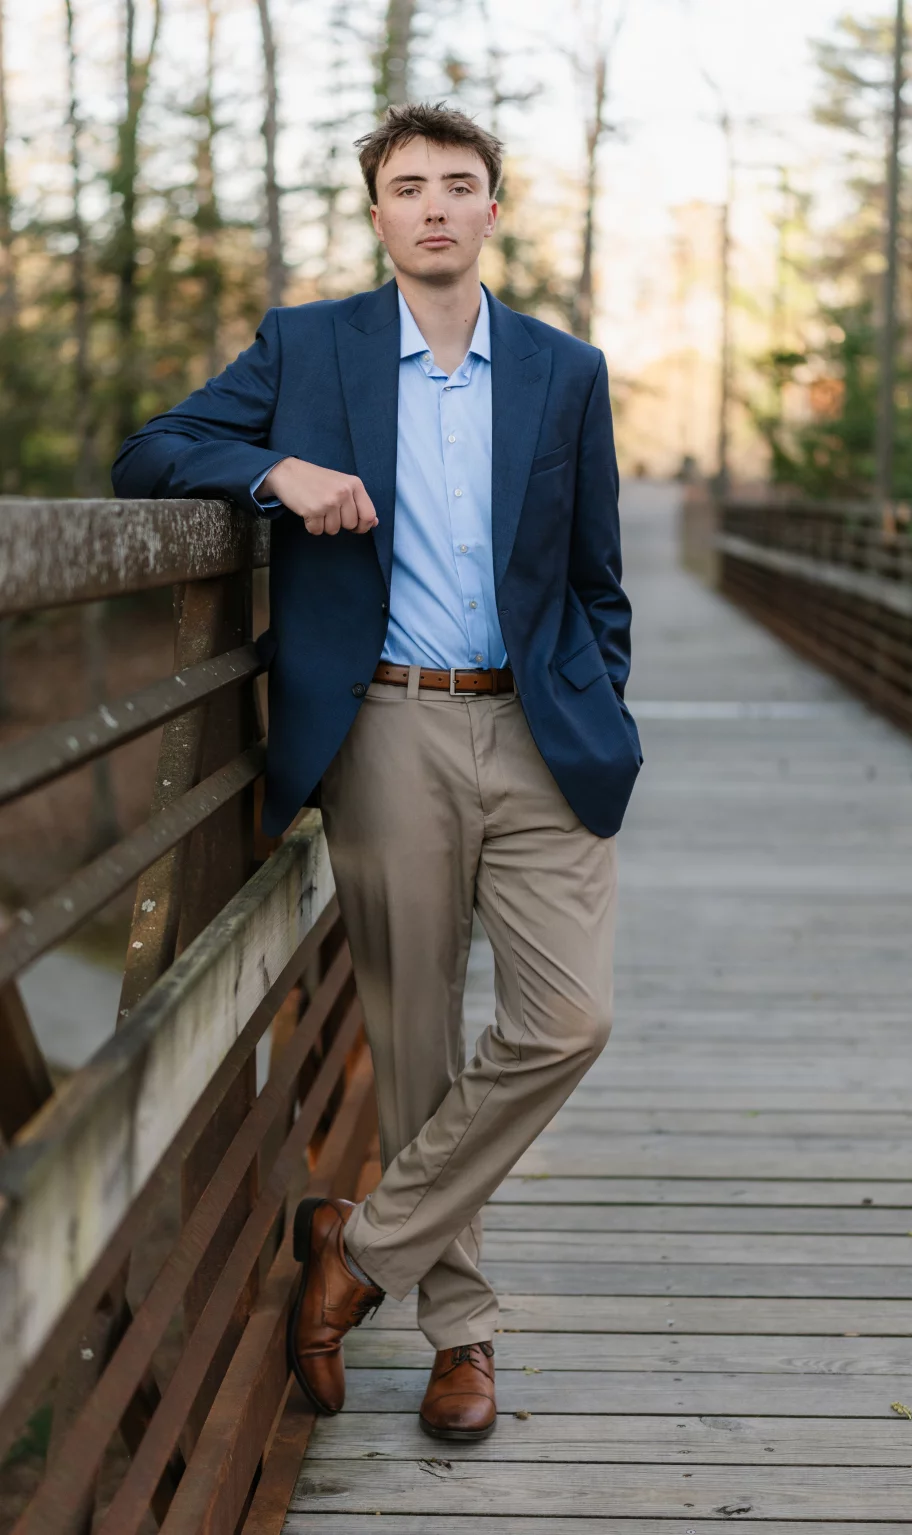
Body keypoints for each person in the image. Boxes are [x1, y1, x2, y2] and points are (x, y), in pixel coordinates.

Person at [112, 100, 640, 1442]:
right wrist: (273, 471)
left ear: (493, 211)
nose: (436, 208)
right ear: (379, 213)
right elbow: (150, 453)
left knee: (570, 1017)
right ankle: (462, 1334)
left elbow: (596, 578)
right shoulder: (311, 347)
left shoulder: (565, 370)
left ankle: (358, 1247)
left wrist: (595, 696)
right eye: (409, 187)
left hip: (537, 728)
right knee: (413, 1040)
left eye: (460, 186)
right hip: (389, 724)